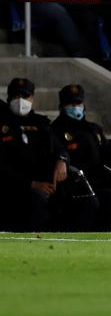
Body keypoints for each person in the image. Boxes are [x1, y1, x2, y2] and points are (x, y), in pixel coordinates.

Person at [0, 78, 97, 232]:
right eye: (16, 96)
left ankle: (80, 245)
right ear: (8, 98)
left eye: (25, 96)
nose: (20, 100)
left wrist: (62, 160)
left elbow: (59, 148)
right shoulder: (2, 123)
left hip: (48, 180)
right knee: (37, 200)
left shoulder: (41, 124)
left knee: (86, 200)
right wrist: (30, 183)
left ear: (32, 99)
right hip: (16, 184)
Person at [51, 84, 111, 231]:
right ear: (62, 106)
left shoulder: (93, 129)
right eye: (71, 104)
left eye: (78, 103)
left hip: (101, 180)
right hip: (77, 185)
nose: (76, 108)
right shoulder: (56, 130)